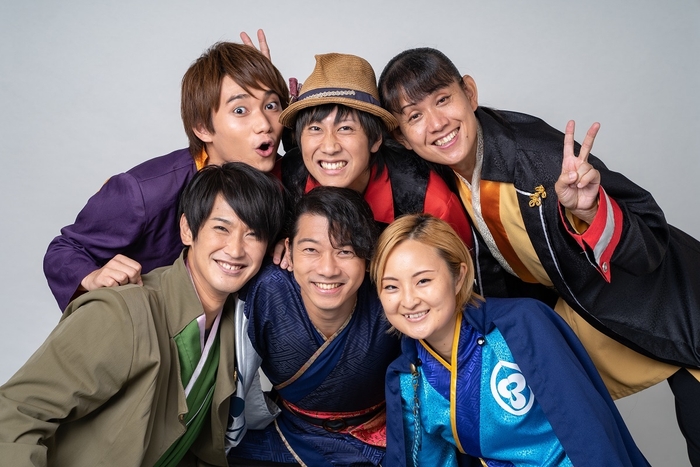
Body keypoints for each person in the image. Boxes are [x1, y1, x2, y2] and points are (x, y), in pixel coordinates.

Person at [378, 47, 700, 464]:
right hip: (594, 317)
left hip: (673, 308)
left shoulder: (537, 158)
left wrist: (592, 212)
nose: (436, 123)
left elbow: (651, 240)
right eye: (415, 116)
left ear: (469, 93)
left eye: (443, 99)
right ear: (402, 136)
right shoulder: (443, 170)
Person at [0, 162, 286, 467]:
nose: (236, 249)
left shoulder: (234, 328)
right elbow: (14, 415)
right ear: (187, 229)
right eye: (221, 228)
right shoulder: (122, 311)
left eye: (253, 235)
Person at [370, 214, 649, 467]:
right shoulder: (406, 378)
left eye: (423, 281)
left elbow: (588, 430)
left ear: (458, 277)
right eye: (391, 286)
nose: (408, 300)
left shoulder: (521, 324)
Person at [43, 39, 289, 311]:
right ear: (203, 128)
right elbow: (65, 249)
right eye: (240, 110)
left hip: (230, 327)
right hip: (151, 325)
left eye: (271, 106)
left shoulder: (284, 177)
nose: (264, 124)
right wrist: (91, 276)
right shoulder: (144, 191)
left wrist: (279, 94)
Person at [228, 186, 401, 466]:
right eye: (311, 249)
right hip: (291, 431)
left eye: (345, 251)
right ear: (288, 250)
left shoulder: (390, 294)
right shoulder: (268, 290)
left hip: (379, 435)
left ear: (367, 256)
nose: (327, 269)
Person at [273, 52, 472, 268]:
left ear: (376, 139)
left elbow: (462, 276)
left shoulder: (429, 201)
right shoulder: (284, 179)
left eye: (345, 128)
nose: (329, 147)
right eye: (315, 129)